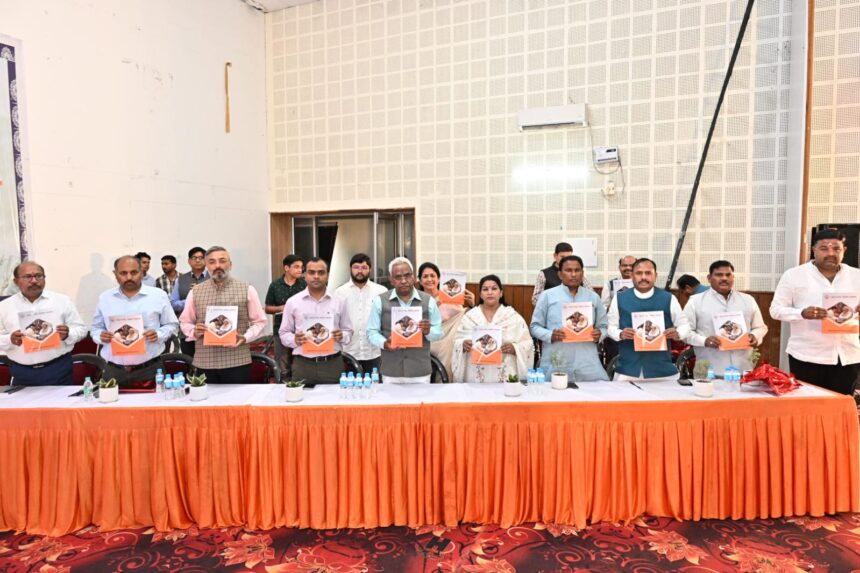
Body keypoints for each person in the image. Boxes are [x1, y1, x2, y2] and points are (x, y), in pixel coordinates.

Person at [771, 229, 860, 395]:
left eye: (836, 249)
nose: (831, 253)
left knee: (840, 406)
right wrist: (802, 313)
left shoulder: (857, 276)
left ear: (844, 250)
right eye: (824, 248)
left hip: (847, 356)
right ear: (814, 250)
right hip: (807, 356)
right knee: (808, 406)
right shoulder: (794, 275)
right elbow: (775, 310)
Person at [179, 246, 267, 383]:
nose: (217, 266)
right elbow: (185, 322)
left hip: (237, 361)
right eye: (212, 262)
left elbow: (260, 321)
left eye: (222, 261)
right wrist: (194, 331)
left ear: (230, 265)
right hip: (205, 361)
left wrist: (245, 337)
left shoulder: (247, 289)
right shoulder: (195, 292)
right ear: (206, 265)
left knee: (238, 397)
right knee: (206, 397)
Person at [92, 256, 179, 389]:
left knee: (154, 403)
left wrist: (159, 334)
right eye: (123, 273)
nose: (129, 277)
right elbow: (96, 328)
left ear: (142, 272)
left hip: (150, 369)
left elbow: (172, 324)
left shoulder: (158, 296)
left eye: (134, 272)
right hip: (113, 370)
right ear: (115, 274)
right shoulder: (105, 298)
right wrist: (101, 336)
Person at [0, 261, 87, 385]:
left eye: (38, 276)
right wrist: (10, 339)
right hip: (22, 372)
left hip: (58, 369)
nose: (34, 281)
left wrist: (68, 334)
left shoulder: (62, 301)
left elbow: (81, 329)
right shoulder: (4, 307)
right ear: (16, 281)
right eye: (28, 277)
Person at [608, 258, 690, 382]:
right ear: (632, 276)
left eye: (648, 273)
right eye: (639, 273)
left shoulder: (669, 298)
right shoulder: (619, 298)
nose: (643, 277)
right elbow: (610, 327)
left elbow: (685, 325)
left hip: (662, 371)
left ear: (655, 276)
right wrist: (620, 334)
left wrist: (678, 333)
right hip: (628, 370)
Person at [530, 256, 608, 381]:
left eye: (577, 270)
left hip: (587, 361)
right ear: (560, 274)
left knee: (595, 390)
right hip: (557, 358)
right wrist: (550, 335)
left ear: (582, 273)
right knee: (554, 390)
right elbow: (534, 327)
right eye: (569, 270)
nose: (573, 274)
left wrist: (599, 334)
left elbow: (604, 326)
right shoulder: (547, 296)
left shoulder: (593, 297)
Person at [684, 260, 768, 376]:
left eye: (728, 275)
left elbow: (761, 327)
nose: (724, 278)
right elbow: (684, 332)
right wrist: (704, 341)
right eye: (719, 275)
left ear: (733, 277)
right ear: (709, 278)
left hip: (742, 369)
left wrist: (755, 336)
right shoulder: (695, 302)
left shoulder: (748, 300)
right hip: (709, 371)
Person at [367, 257, 443, 384]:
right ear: (391, 280)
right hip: (391, 372)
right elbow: (371, 332)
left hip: (420, 372)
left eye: (407, 275)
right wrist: (384, 343)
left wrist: (428, 331)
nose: (403, 281)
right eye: (398, 277)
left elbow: (439, 333)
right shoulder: (379, 301)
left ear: (413, 277)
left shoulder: (429, 301)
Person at [279, 258, 352, 383]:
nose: (316, 276)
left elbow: (349, 331)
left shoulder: (340, 301)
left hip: (332, 364)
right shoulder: (292, 302)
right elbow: (283, 333)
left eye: (321, 272)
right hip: (303, 365)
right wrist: (294, 339)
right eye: (311, 272)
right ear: (305, 275)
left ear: (327, 275)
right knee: (300, 396)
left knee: (335, 396)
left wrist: (342, 335)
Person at [452, 275, 534, 383]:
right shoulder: (470, 317)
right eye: (485, 289)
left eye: (494, 288)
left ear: (501, 293)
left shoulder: (512, 317)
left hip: (504, 373)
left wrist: (515, 348)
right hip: (475, 374)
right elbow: (456, 340)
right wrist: (462, 344)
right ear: (480, 294)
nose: (490, 292)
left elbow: (528, 343)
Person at [418, 261, 475, 381]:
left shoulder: (449, 295)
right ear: (420, 280)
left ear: (439, 279)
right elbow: (416, 324)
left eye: (433, 276)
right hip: (429, 340)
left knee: (457, 345)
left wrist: (472, 305)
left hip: (450, 338)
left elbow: (462, 318)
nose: (429, 279)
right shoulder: (417, 299)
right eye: (425, 276)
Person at [335, 253, 387, 373]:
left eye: (364, 268)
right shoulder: (339, 293)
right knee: (349, 384)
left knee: (374, 384)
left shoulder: (381, 291)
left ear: (370, 269)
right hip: (348, 352)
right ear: (350, 269)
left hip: (374, 352)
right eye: (356, 267)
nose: (360, 271)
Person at [265, 254, 306, 379]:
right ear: (287, 268)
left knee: (302, 361)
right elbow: (267, 308)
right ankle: (282, 384)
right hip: (281, 329)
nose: (300, 270)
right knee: (282, 363)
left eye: (301, 267)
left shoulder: (304, 284)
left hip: (302, 330)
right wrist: (282, 308)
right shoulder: (275, 285)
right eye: (296, 267)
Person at [170, 246, 209, 356]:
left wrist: (202, 294)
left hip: (209, 330)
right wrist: (190, 299)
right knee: (189, 361)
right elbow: (173, 304)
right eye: (194, 258)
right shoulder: (181, 279)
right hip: (187, 331)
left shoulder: (213, 278)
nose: (198, 260)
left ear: (206, 260)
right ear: (189, 261)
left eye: (201, 257)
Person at [531, 242, 593, 306]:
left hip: (576, 309)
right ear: (555, 256)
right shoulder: (544, 274)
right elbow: (535, 299)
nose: (566, 260)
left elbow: (591, 293)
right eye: (562, 257)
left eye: (569, 257)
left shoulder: (577, 273)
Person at [600, 255, 636, 364]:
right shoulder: (610, 285)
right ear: (620, 267)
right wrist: (613, 305)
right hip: (615, 329)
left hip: (636, 329)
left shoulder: (642, 285)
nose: (628, 268)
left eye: (631, 265)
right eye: (624, 265)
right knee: (615, 362)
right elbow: (603, 308)